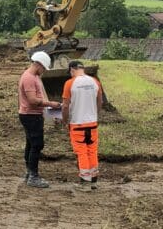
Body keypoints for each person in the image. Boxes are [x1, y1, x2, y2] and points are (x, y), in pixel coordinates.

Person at [19, 51, 61, 188]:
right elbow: (32, 100)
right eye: (43, 68)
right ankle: (33, 176)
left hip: (33, 115)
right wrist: (51, 105)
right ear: (38, 65)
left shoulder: (35, 76)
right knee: (37, 145)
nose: (43, 71)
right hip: (30, 115)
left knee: (31, 144)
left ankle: (29, 173)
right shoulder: (29, 78)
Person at [61, 59, 103, 186]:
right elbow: (100, 102)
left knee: (81, 152)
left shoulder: (69, 83)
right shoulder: (95, 81)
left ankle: (85, 180)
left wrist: (64, 120)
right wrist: (96, 116)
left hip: (77, 124)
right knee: (92, 150)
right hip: (92, 123)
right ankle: (94, 177)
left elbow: (65, 106)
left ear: (72, 70)